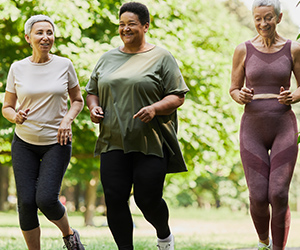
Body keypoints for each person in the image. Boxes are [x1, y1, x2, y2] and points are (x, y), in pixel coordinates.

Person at [85, 2, 189, 250]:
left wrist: (155, 108)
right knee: (114, 197)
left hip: (150, 142)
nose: (125, 28)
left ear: (145, 25)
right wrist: (93, 108)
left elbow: (177, 96)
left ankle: (164, 236)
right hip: (113, 140)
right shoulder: (107, 58)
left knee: (147, 198)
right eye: (121, 24)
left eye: (131, 24)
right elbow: (92, 91)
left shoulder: (161, 57)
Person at [2, 15, 85, 250]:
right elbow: (6, 108)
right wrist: (15, 116)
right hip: (24, 142)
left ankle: (69, 235)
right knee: (26, 203)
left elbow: (77, 100)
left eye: (49, 32)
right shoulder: (17, 68)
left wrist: (68, 119)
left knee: (46, 199)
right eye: (39, 32)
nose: (45, 37)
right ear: (29, 38)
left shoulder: (64, 64)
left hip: (56, 142)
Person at [229, 0, 300, 249]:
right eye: (258, 18)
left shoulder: (293, 49)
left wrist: (295, 95)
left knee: (278, 193)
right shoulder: (243, 50)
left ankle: (279, 248)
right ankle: (263, 242)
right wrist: (242, 96)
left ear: (279, 18)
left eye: (268, 17)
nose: (263, 23)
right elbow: (234, 89)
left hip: (284, 126)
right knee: (258, 196)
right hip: (252, 128)